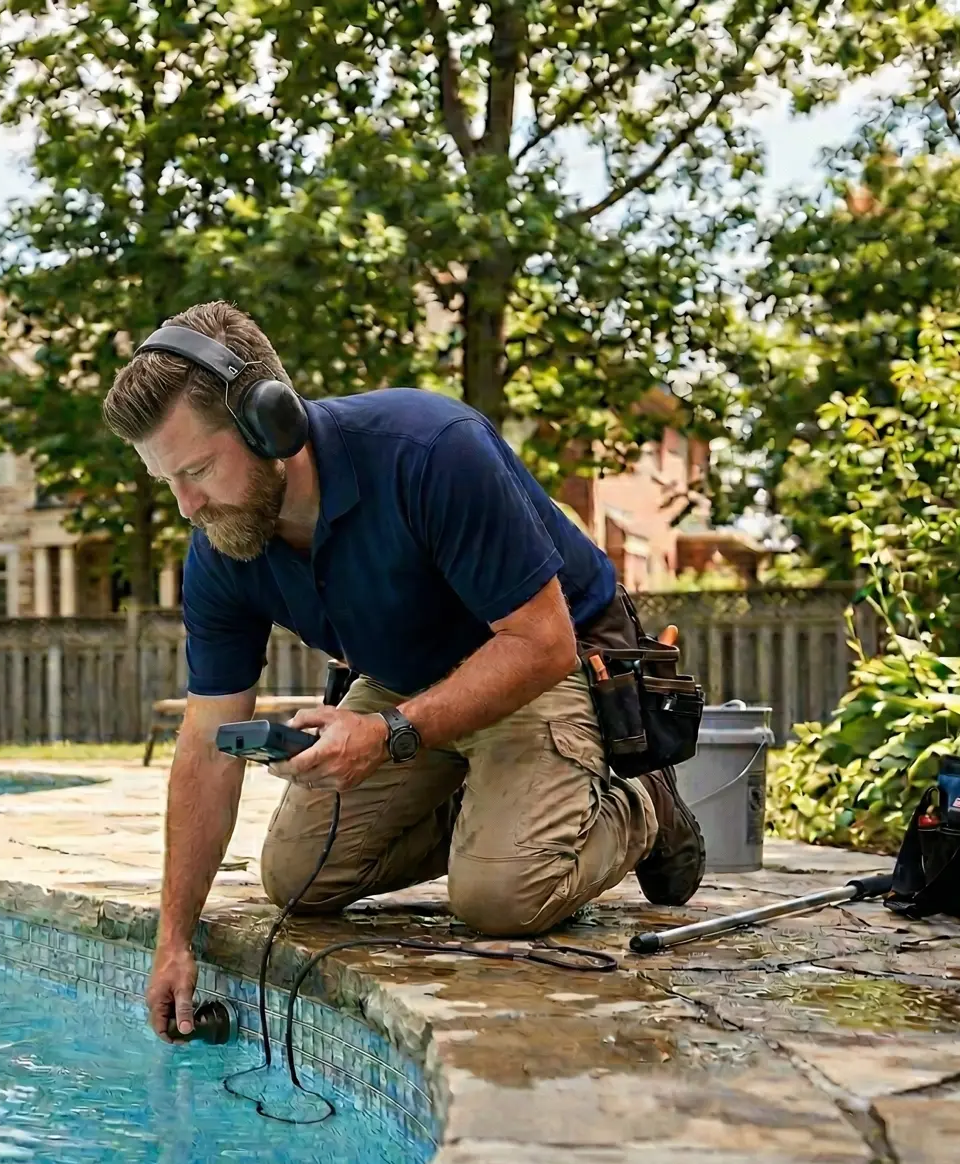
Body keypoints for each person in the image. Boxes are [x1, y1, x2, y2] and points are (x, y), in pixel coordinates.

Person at [101, 301, 706, 1041]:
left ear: (272, 423)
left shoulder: (429, 449)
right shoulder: (224, 544)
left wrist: (389, 734)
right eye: (169, 480)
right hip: (406, 681)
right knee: (298, 880)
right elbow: (205, 742)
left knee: (500, 898)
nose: (187, 504)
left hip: (538, 658)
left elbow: (540, 642)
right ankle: (498, 806)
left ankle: (639, 803)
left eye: (196, 469)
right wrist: (174, 940)